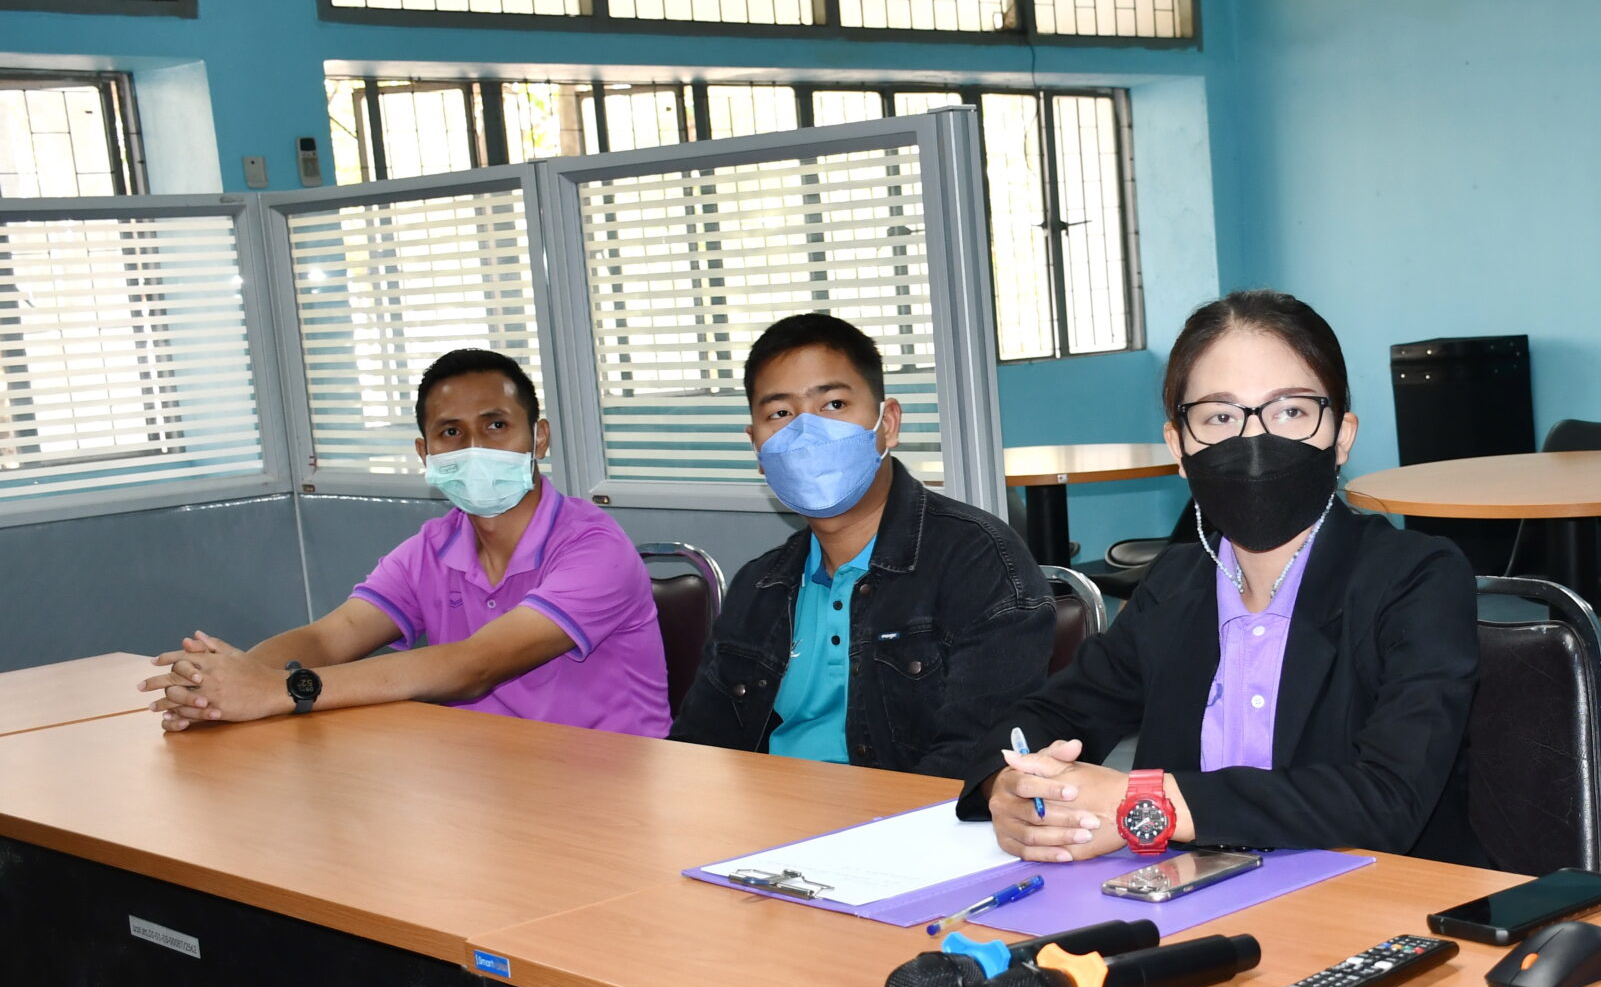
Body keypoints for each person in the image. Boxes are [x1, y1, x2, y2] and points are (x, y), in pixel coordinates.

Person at [963, 290, 1484, 864]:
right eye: (1219, 416)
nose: (1255, 441)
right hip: (1191, 896)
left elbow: (1389, 798)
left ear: (1341, 436)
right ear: (1179, 446)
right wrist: (1008, 786)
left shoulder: (1416, 576)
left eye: (1290, 411)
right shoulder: (1176, 583)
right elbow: (1049, 715)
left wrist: (1150, 803)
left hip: (1380, 897)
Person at [144, 348, 669, 736]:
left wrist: (280, 690)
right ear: (425, 452)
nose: (475, 447)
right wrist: (222, 684)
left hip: (609, 788)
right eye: (451, 433)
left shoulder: (595, 547)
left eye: (496, 425)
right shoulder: (432, 547)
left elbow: (474, 666)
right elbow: (331, 637)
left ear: (539, 437)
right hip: (484, 780)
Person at [670, 312, 1052, 778]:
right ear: (758, 449)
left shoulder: (978, 562)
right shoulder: (760, 585)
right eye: (780, 414)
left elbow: (976, 761)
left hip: (909, 817)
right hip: (770, 814)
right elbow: (697, 751)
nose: (807, 432)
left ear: (887, 423)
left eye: (833, 404)